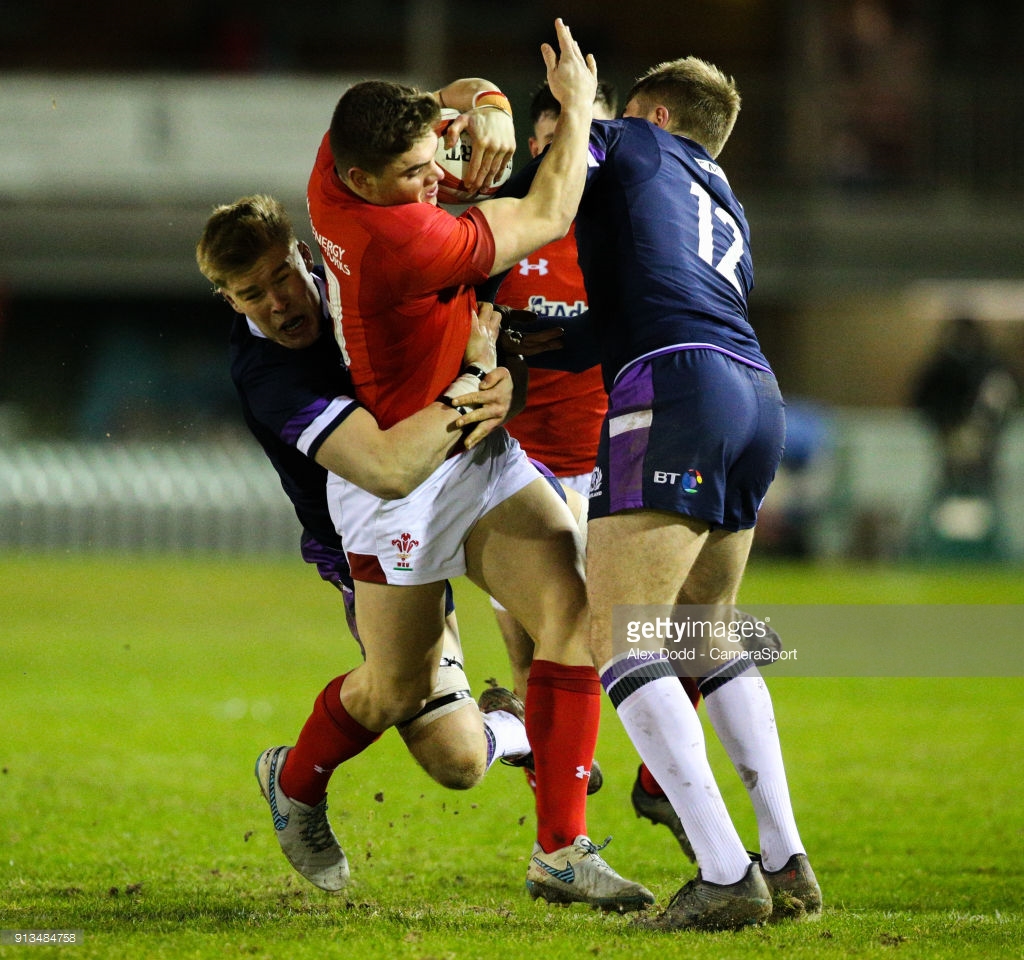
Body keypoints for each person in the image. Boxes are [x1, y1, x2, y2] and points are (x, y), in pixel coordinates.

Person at [304, 21, 653, 911]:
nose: (439, 180)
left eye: (434, 161)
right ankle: (298, 783)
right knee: (398, 700)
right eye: (419, 175)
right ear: (360, 182)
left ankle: (560, 850)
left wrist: (484, 102)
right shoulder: (403, 242)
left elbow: (446, 104)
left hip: (478, 452)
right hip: (399, 469)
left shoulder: (336, 163)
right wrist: (574, 109)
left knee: (575, 614)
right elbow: (548, 211)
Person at [195, 194, 534, 892]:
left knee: (572, 597)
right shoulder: (269, 377)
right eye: (250, 295)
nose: (277, 303)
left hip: (460, 493)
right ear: (228, 301)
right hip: (373, 539)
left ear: (303, 256)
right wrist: (474, 380)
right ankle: (294, 783)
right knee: (458, 761)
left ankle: (570, 818)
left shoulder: (359, 288)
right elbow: (384, 468)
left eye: (280, 277)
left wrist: (484, 99)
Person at [568, 57, 821, 929]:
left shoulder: (634, 141)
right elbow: (622, 307)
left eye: (628, 113)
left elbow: (558, 163)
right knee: (700, 636)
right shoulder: (722, 199)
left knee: (617, 631)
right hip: (754, 391)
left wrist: (561, 111)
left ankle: (723, 874)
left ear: (658, 115)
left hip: (675, 385)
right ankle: (785, 860)